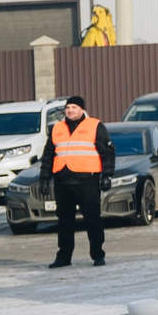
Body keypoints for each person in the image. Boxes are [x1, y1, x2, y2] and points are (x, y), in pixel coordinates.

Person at [38, 96, 114, 268]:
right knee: (64, 222)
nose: (70, 110)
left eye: (74, 107)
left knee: (92, 219)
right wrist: (44, 179)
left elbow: (107, 153)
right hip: (62, 183)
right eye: (68, 108)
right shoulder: (57, 128)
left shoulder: (95, 126)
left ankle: (97, 254)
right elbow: (48, 156)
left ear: (81, 110)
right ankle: (64, 257)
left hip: (86, 182)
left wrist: (107, 175)